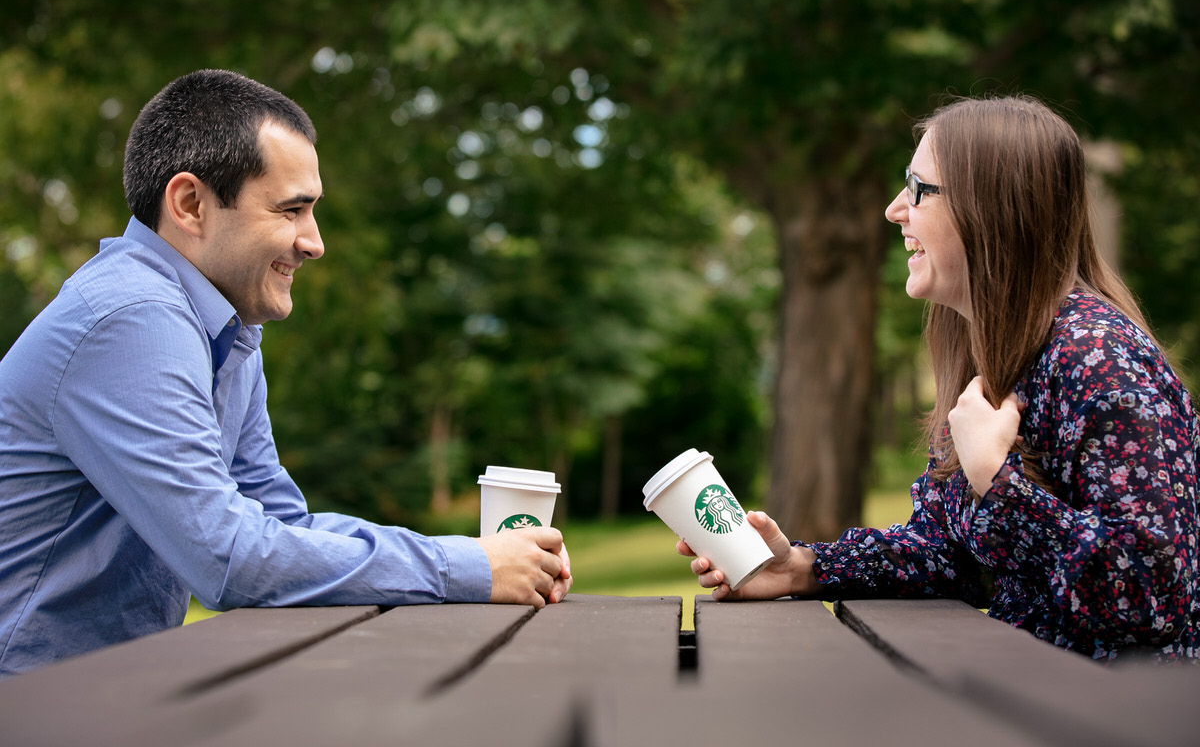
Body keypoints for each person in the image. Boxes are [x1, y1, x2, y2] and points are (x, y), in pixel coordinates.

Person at [0, 69, 571, 678]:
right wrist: (467, 568)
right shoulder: (133, 319)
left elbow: (276, 524)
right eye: (291, 209)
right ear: (191, 204)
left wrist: (477, 558)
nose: (315, 242)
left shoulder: (225, 327)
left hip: (104, 697)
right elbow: (231, 560)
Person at [679, 95, 1199, 663]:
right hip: (1023, 691)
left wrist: (998, 481)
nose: (895, 209)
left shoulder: (1102, 358)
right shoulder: (995, 358)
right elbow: (947, 553)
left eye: (919, 189)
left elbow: (1151, 602)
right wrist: (799, 567)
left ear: (995, 209)